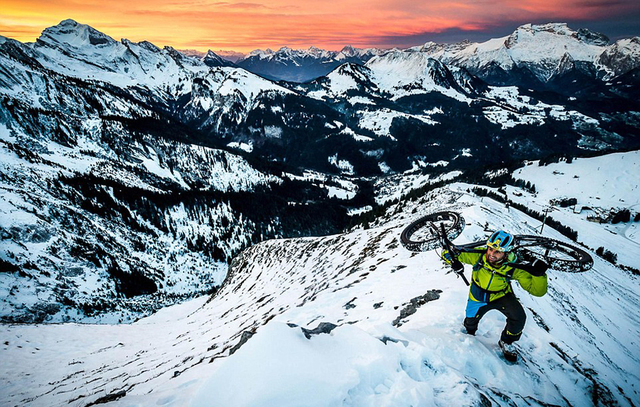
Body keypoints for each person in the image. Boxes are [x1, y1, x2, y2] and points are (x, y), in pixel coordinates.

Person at [443, 230, 548, 362]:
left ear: (507, 253)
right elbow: (447, 253)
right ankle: (469, 336)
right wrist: (454, 262)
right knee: (470, 323)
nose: (491, 254)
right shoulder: (479, 255)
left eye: (497, 252)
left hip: (501, 296)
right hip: (478, 297)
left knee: (519, 317)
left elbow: (537, 291)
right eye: (490, 249)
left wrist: (539, 275)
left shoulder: (513, 266)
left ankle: (506, 342)